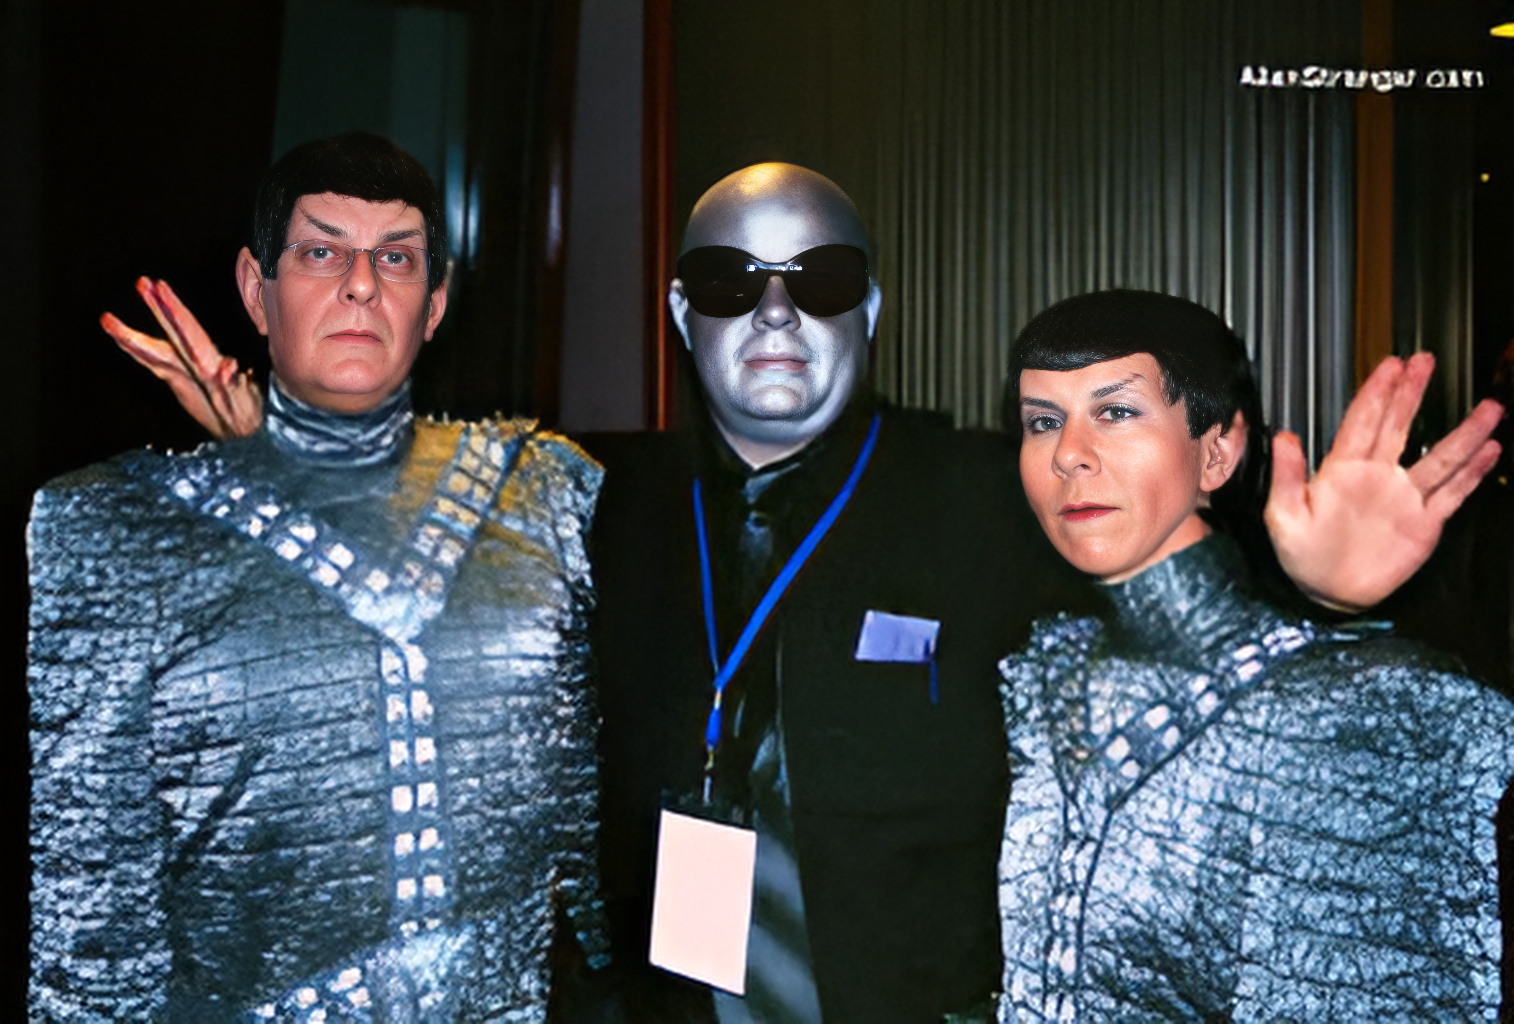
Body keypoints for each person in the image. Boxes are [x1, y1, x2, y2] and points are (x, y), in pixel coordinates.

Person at [107, 163, 1502, 1023]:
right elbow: (416, 575)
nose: (774, 315)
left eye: (817, 278)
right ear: (681, 314)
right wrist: (290, 463)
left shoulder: (994, 489)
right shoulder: (583, 496)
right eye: (731, 281)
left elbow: (1186, 651)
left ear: (868, 312)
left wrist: (1330, 608)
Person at [28, 132, 607, 1021]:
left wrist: (276, 467)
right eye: (321, 253)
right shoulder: (115, 533)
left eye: (396, 258)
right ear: (255, 289)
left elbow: (595, 825)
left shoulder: (550, 494)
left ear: (435, 302)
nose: (362, 285)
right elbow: (91, 924)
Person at [997, 289, 1514, 1021]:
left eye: (1116, 412)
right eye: (1043, 422)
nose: (1068, 455)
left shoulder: (1344, 716)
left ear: (1217, 451)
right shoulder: (1039, 667)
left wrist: (1332, 611)